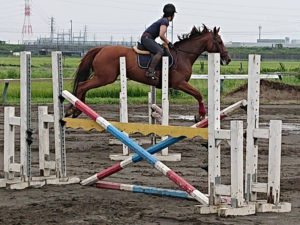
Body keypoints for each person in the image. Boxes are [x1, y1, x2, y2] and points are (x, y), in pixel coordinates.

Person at [141, 3, 177, 80]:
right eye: (174, 14)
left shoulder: (163, 20)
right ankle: (150, 71)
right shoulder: (165, 21)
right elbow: (161, 35)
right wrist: (168, 42)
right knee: (160, 51)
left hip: (148, 38)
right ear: (172, 14)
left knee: (161, 49)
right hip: (147, 38)